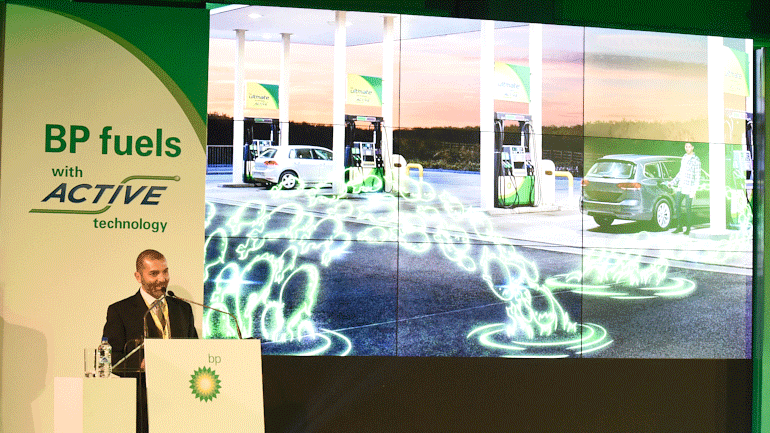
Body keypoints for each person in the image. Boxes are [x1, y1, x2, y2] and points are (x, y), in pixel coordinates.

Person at [102, 249, 197, 433]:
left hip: (181, 401)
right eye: (154, 274)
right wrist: (140, 364)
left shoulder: (182, 308)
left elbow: (194, 349)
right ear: (138, 277)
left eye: (165, 272)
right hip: (142, 403)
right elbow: (110, 357)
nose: (162, 279)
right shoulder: (120, 310)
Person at [670, 142, 701, 235]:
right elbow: (680, 173)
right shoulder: (684, 157)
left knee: (688, 208)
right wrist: (672, 182)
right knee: (677, 205)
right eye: (686, 146)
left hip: (689, 187)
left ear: (692, 147)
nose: (687, 148)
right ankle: (679, 226)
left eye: (689, 147)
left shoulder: (696, 160)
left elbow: (697, 176)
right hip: (681, 186)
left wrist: (694, 190)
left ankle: (688, 228)